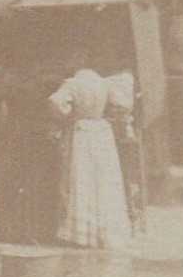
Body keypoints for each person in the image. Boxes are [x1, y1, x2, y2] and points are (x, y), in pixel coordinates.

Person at [50, 66, 133, 250]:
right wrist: (113, 114)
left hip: (81, 132)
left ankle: (82, 235)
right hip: (101, 131)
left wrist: (67, 116)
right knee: (103, 179)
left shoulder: (73, 84)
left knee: (81, 177)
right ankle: (104, 232)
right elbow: (124, 104)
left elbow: (55, 101)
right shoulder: (103, 83)